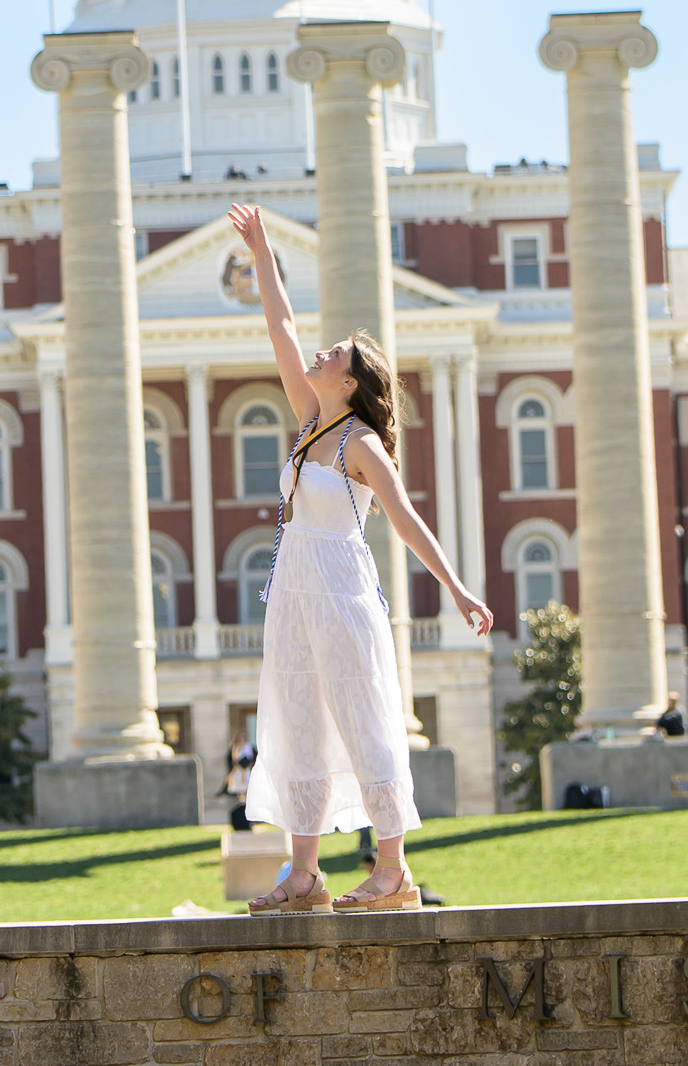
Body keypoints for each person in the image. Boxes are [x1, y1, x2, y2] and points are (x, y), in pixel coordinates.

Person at [227, 203, 493, 915]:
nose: (319, 355)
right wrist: (261, 251)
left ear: (349, 382)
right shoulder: (310, 421)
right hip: (292, 589)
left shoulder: (361, 444)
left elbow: (404, 520)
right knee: (296, 722)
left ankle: (392, 871)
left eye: (334, 356)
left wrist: (458, 590)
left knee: (364, 718)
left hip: (341, 588)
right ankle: (303, 875)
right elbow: (281, 326)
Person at [221, 729, 257, 830]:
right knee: (240, 790)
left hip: (246, 772)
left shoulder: (249, 748)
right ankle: (241, 804)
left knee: (246, 789)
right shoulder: (234, 748)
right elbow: (232, 762)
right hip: (238, 772)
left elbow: (253, 759)